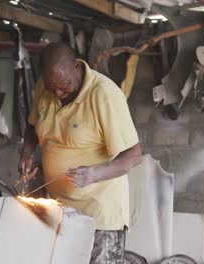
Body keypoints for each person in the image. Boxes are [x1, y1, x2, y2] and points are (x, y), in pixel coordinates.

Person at [19, 42, 142, 263]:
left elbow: (133, 155)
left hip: (99, 219)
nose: (57, 92)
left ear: (76, 67)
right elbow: (32, 126)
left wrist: (94, 173)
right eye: (51, 87)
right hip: (60, 212)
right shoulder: (45, 86)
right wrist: (27, 152)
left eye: (64, 85)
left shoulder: (104, 95)